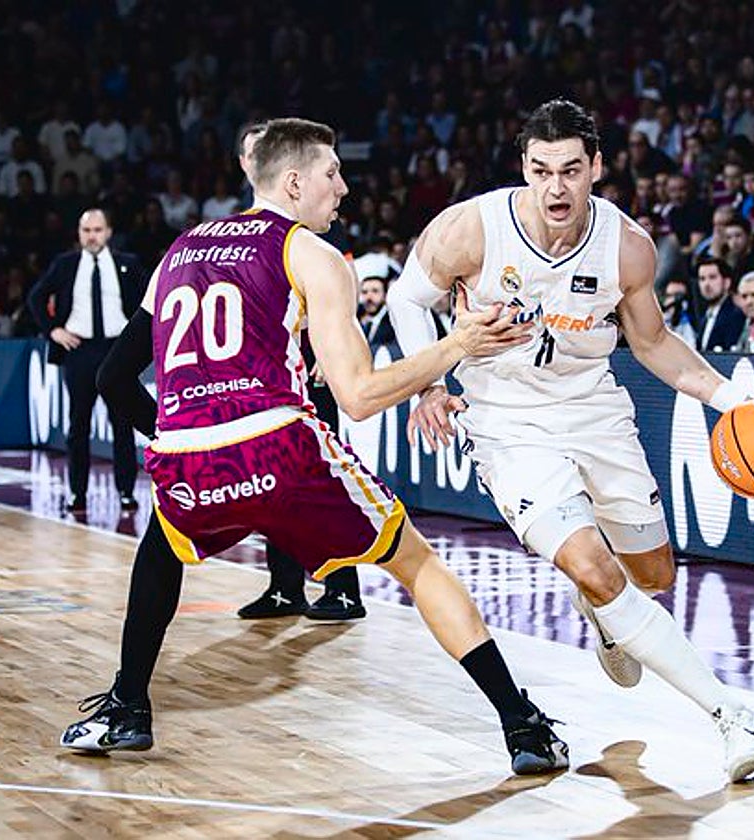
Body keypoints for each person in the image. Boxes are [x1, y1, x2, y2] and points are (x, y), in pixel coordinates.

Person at [62, 118, 570, 776]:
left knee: (161, 547)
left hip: (188, 455)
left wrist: (173, 437)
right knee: (418, 565)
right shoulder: (312, 255)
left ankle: (127, 706)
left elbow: (114, 375)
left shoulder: (179, 249)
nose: (344, 187)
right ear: (295, 182)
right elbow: (358, 396)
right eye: (333, 173)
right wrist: (456, 346)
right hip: (276, 446)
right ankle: (522, 725)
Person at [387, 99, 754, 783]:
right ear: (524, 168)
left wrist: (737, 401)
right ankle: (734, 718)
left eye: (570, 170)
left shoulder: (626, 246)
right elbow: (405, 299)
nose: (556, 187)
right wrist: (428, 385)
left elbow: (653, 343)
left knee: (653, 577)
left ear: (596, 167)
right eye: (542, 170)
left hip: (594, 410)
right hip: (507, 424)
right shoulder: (472, 229)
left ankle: (603, 615)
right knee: (595, 569)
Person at [230, 122, 369, 622]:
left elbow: (344, 284)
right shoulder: (243, 227)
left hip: (313, 364)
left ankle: (344, 587)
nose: (256, 159)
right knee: (276, 483)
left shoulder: (315, 220)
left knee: (324, 478)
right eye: (250, 153)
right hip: (271, 376)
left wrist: (326, 352)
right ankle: (285, 586)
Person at [28, 208, 148, 514]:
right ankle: (77, 493)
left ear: (109, 232)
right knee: (78, 425)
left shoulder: (127, 264)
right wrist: (53, 330)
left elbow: (150, 299)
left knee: (122, 423)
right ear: (79, 234)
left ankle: (126, 491)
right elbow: (36, 297)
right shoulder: (65, 264)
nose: (92, 236)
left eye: (97, 230)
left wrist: (136, 338)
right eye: (86, 231)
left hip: (116, 350)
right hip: (79, 350)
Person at [693, 257, 747, 353]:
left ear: (727, 283)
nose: (706, 284)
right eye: (702, 279)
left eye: (712, 277)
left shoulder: (735, 315)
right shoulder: (706, 314)